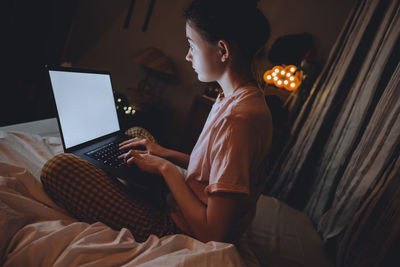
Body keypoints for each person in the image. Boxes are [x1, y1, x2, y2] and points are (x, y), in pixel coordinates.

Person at [41, 0, 272, 244]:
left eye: (192, 45)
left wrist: (166, 168)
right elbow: (216, 171)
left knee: (58, 169)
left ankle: (113, 172)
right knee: (136, 133)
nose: (188, 55)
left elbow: (212, 233)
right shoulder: (234, 98)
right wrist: (165, 153)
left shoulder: (239, 119)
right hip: (182, 201)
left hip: (180, 227)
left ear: (223, 51)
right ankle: (115, 168)